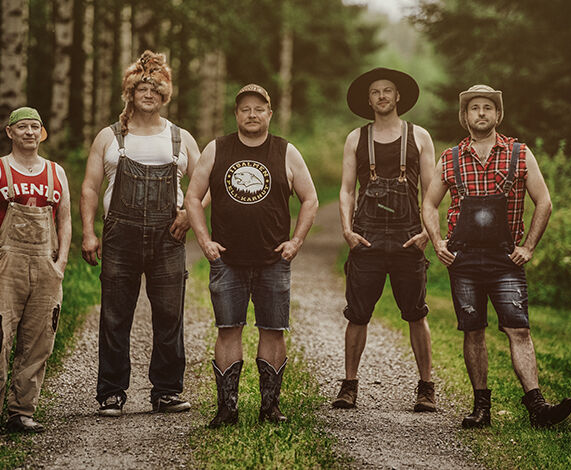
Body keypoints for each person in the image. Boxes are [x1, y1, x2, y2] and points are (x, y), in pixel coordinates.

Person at [422, 84, 571, 428]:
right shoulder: (450, 158)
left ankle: (538, 407)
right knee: (473, 331)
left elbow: (544, 202)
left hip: (506, 259)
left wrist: (529, 246)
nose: (481, 113)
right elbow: (429, 204)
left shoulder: (520, 153)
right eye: (474, 108)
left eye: (487, 108)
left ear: (497, 115)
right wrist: (437, 241)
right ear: (465, 116)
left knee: (518, 329)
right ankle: (481, 409)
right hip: (462, 260)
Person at [184, 84, 318, 427]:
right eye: (245, 109)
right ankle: (227, 409)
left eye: (259, 108)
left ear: (269, 114)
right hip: (227, 259)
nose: (252, 114)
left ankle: (269, 406)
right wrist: (204, 240)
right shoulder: (217, 149)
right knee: (228, 329)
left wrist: (296, 242)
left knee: (273, 330)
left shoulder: (286, 151)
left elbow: (310, 199)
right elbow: (193, 197)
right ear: (236, 114)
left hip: (274, 259)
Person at [80, 50, 201, 416]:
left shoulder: (180, 138)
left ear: (165, 96)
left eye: (155, 88)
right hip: (120, 235)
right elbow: (89, 187)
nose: (148, 93)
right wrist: (88, 233)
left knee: (169, 315)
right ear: (130, 93)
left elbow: (205, 183)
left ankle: (166, 391)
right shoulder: (109, 136)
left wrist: (189, 216)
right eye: (141, 87)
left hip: (169, 237)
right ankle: (112, 393)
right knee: (115, 316)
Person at [332, 68, 437, 412]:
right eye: (375, 92)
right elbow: (347, 190)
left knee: (416, 313)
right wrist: (348, 231)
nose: (381, 96)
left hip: (409, 238)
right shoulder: (356, 139)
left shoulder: (419, 136)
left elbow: (432, 194)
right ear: (369, 100)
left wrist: (427, 233)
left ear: (398, 96)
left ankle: (426, 388)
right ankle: (349, 386)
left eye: (387, 90)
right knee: (357, 314)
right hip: (367, 238)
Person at [0, 107, 71, 436]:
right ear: (10, 132)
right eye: (22, 127)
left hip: (46, 263)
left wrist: (61, 263)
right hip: (7, 263)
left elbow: (65, 220)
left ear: (42, 133)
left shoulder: (56, 172)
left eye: (35, 127)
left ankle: (22, 411)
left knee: (40, 340)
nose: (29, 132)